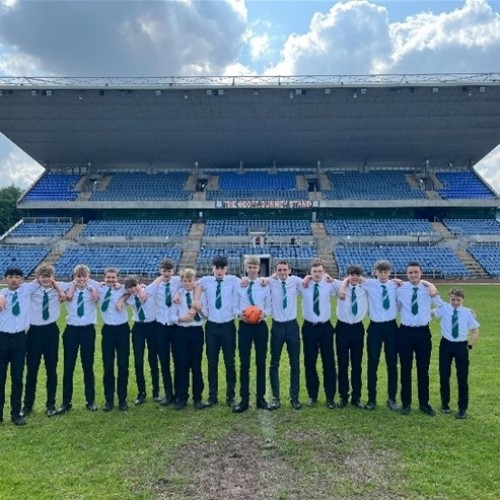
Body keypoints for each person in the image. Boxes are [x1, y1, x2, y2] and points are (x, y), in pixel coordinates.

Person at [194, 255, 239, 407]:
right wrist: (141, 287)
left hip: (228, 326)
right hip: (211, 326)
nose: (219, 271)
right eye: (217, 268)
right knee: (212, 363)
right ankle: (212, 396)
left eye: (222, 268)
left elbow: (253, 282)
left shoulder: (233, 280)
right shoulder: (205, 281)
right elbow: (185, 283)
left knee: (229, 362)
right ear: (212, 268)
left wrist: (268, 278)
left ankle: (230, 396)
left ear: (227, 268)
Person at [396, 261, 440, 416]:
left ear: (421, 273)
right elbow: (396, 307)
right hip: (405, 333)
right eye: (410, 273)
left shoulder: (428, 289)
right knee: (405, 369)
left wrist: (431, 313)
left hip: (423, 333)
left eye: (416, 272)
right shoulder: (401, 289)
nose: (413, 275)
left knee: (423, 369)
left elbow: (441, 306)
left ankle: (424, 403)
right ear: (407, 274)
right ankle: (406, 403)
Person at [57, 264, 100, 414]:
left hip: (88, 330)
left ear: (88, 276)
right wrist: (73, 287)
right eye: (78, 276)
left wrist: (91, 287)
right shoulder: (67, 286)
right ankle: (66, 402)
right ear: (74, 277)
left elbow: (99, 296)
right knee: (68, 368)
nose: (81, 279)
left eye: (84, 276)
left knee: (88, 367)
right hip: (71, 330)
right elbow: (54, 284)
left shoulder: (93, 286)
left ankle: (90, 400)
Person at [22, 264, 65, 418]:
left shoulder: (58, 287)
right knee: (32, 370)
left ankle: (51, 404)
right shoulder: (31, 289)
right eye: (43, 276)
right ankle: (27, 405)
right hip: (34, 332)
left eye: (49, 276)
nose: (46, 279)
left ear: (53, 277)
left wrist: (58, 288)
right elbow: (13, 290)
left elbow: (80, 283)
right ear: (38, 277)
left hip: (51, 331)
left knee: (51, 369)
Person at [359, 260, 400, 411]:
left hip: (391, 327)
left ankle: (392, 398)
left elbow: (418, 283)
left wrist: (431, 285)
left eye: (385, 271)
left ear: (390, 272)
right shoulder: (369, 284)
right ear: (375, 272)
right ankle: (371, 399)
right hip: (375, 327)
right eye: (380, 271)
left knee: (392, 364)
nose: (382, 274)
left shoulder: (395, 285)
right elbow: (350, 278)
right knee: (372, 363)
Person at [432, 288, 479, 419]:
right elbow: (431, 313)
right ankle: (444, 404)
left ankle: (462, 408)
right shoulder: (444, 308)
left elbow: (475, 331)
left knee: (462, 378)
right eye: (453, 299)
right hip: (446, 344)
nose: (455, 302)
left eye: (458, 300)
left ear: (463, 300)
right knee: (444, 375)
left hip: (461, 345)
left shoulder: (467, 313)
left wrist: (469, 344)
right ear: (449, 298)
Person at [0, 267, 39, 425]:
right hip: (2, 338)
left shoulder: (26, 290)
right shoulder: (2, 294)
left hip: (20, 339)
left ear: (22, 279)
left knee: (17, 377)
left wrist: (109, 284)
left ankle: (16, 413)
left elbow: (47, 278)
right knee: (0, 378)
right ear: (5, 279)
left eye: (17, 277)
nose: (14, 279)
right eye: (10, 277)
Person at [233, 256, 272, 413]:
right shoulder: (239, 285)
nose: (252, 269)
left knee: (261, 363)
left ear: (259, 268)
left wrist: (264, 315)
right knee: (244, 364)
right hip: (244, 326)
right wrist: (240, 315)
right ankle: (244, 400)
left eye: (255, 267)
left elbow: (269, 306)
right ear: (245, 268)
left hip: (260, 326)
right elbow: (234, 305)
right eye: (249, 267)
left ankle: (261, 399)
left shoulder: (264, 285)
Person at [299, 259, 337, 409]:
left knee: (329, 363)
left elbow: (350, 282)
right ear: (310, 272)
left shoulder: (329, 284)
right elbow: (282, 278)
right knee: (310, 362)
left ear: (324, 271)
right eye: (314, 271)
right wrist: (306, 278)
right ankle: (312, 395)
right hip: (309, 328)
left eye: (320, 271)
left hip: (325, 328)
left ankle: (330, 397)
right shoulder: (303, 285)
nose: (317, 274)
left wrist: (342, 280)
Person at [268, 259, 303, 410]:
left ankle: (294, 397)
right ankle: (276, 398)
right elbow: (258, 281)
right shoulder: (270, 282)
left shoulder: (295, 281)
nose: (282, 272)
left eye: (284, 270)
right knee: (274, 363)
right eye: (279, 270)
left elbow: (312, 281)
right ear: (275, 271)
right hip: (277, 327)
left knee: (294, 363)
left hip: (292, 326)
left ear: (290, 270)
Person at [172, 268, 209, 410]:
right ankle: (181, 397)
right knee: (181, 365)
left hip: (196, 331)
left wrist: (199, 309)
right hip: (180, 331)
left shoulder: (201, 295)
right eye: (185, 281)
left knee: (196, 365)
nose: (187, 283)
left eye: (190, 280)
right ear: (181, 281)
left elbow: (206, 315)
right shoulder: (177, 295)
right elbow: (171, 315)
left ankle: (197, 398)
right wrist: (181, 318)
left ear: (195, 280)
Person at [122, 275, 161, 406]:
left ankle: (156, 392)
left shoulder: (148, 290)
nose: (133, 289)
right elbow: (116, 289)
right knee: (138, 361)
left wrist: (143, 288)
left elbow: (159, 278)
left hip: (153, 327)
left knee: (153, 360)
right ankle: (141, 392)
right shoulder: (129, 298)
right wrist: (125, 295)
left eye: (135, 286)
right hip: (138, 328)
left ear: (139, 283)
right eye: (129, 287)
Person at [335, 265, 368, 409]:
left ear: (361, 276)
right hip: (342, 327)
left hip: (357, 328)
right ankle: (343, 396)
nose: (354, 277)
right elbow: (323, 277)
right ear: (347, 275)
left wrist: (429, 283)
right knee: (343, 364)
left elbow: (387, 281)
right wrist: (343, 285)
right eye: (351, 274)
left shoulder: (365, 287)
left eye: (357, 274)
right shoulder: (339, 286)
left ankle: (356, 397)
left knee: (356, 364)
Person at [149, 258, 182, 406]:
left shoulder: (178, 282)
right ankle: (169, 394)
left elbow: (193, 283)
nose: (167, 274)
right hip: (160, 327)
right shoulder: (156, 285)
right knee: (164, 362)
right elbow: (143, 290)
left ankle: (179, 394)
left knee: (178, 361)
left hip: (175, 327)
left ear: (173, 271)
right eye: (164, 271)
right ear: (160, 271)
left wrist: (179, 293)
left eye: (169, 271)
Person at [97, 267, 130, 412]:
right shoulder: (99, 288)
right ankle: (109, 400)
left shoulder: (123, 288)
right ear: (104, 278)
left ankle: (122, 399)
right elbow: (79, 281)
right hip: (108, 330)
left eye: (113, 277)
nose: (110, 280)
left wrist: (123, 297)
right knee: (108, 366)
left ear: (118, 278)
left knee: (123, 366)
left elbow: (138, 286)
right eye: (108, 277)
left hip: (122, 330)